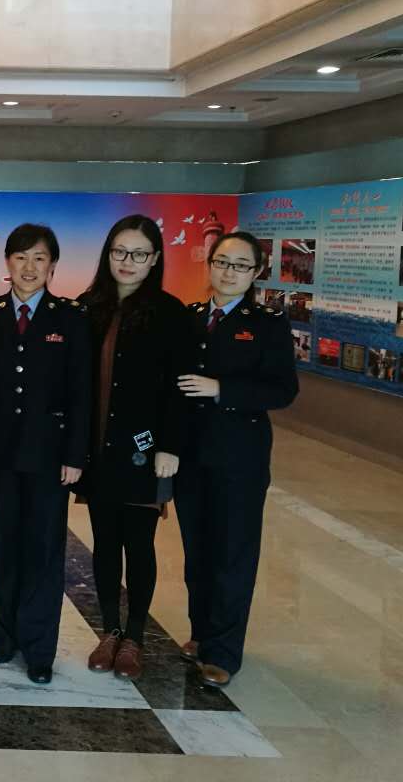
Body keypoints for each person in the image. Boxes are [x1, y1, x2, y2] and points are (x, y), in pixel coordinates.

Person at [176, 231, 298, 689]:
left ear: (256, 272)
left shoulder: (267, 323)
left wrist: (222, 390)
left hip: (239, 458)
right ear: (209, 264)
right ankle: (201, 632)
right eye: (222, 262)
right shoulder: (190, 318)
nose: (229, 272)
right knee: (197, 551)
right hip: (191, 455)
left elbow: (282, 390)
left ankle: (223, 652)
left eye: (240, 265)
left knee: (232, 553)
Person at [76, 215, 191, 681]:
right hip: (97, 449)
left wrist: (171, 446)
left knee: (139, 545)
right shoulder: (89, 307)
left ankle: (136, 637)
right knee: (104, 543)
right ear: (108, 254)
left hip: (146, 450)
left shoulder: (170, 313)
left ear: (155, 258)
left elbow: (179, 388)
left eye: (139, 253)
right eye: (120, 251)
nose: (128, 261)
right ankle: (110, 631)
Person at [0, 223, 90, 685]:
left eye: (39, 258)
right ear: (7, 262)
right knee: (6, 544)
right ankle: (4, 637)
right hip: (0, 453)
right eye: (21, 257)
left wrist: (76, 454)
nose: (29, 267)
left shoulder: (71, 318)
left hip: (50, 455)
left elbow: (82, 392)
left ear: (52, 265)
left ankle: (39, 648)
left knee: (44, 550)